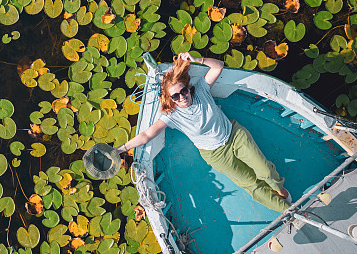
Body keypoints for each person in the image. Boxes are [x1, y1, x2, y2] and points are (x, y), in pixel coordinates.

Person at [116, 53, 291, 212]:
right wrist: (121, 149)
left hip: (234, 135)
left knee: (265, 171)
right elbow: (146, 135)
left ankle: (279, 189)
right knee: (250, 183)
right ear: (171, 99)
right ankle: (286, 209)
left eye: (183, 91)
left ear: (187, 87)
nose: (181, 97)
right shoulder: (172, 116)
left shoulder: (201, 90)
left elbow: (218, 66)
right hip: (215, 155)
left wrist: (197, 59)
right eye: (175, 96)